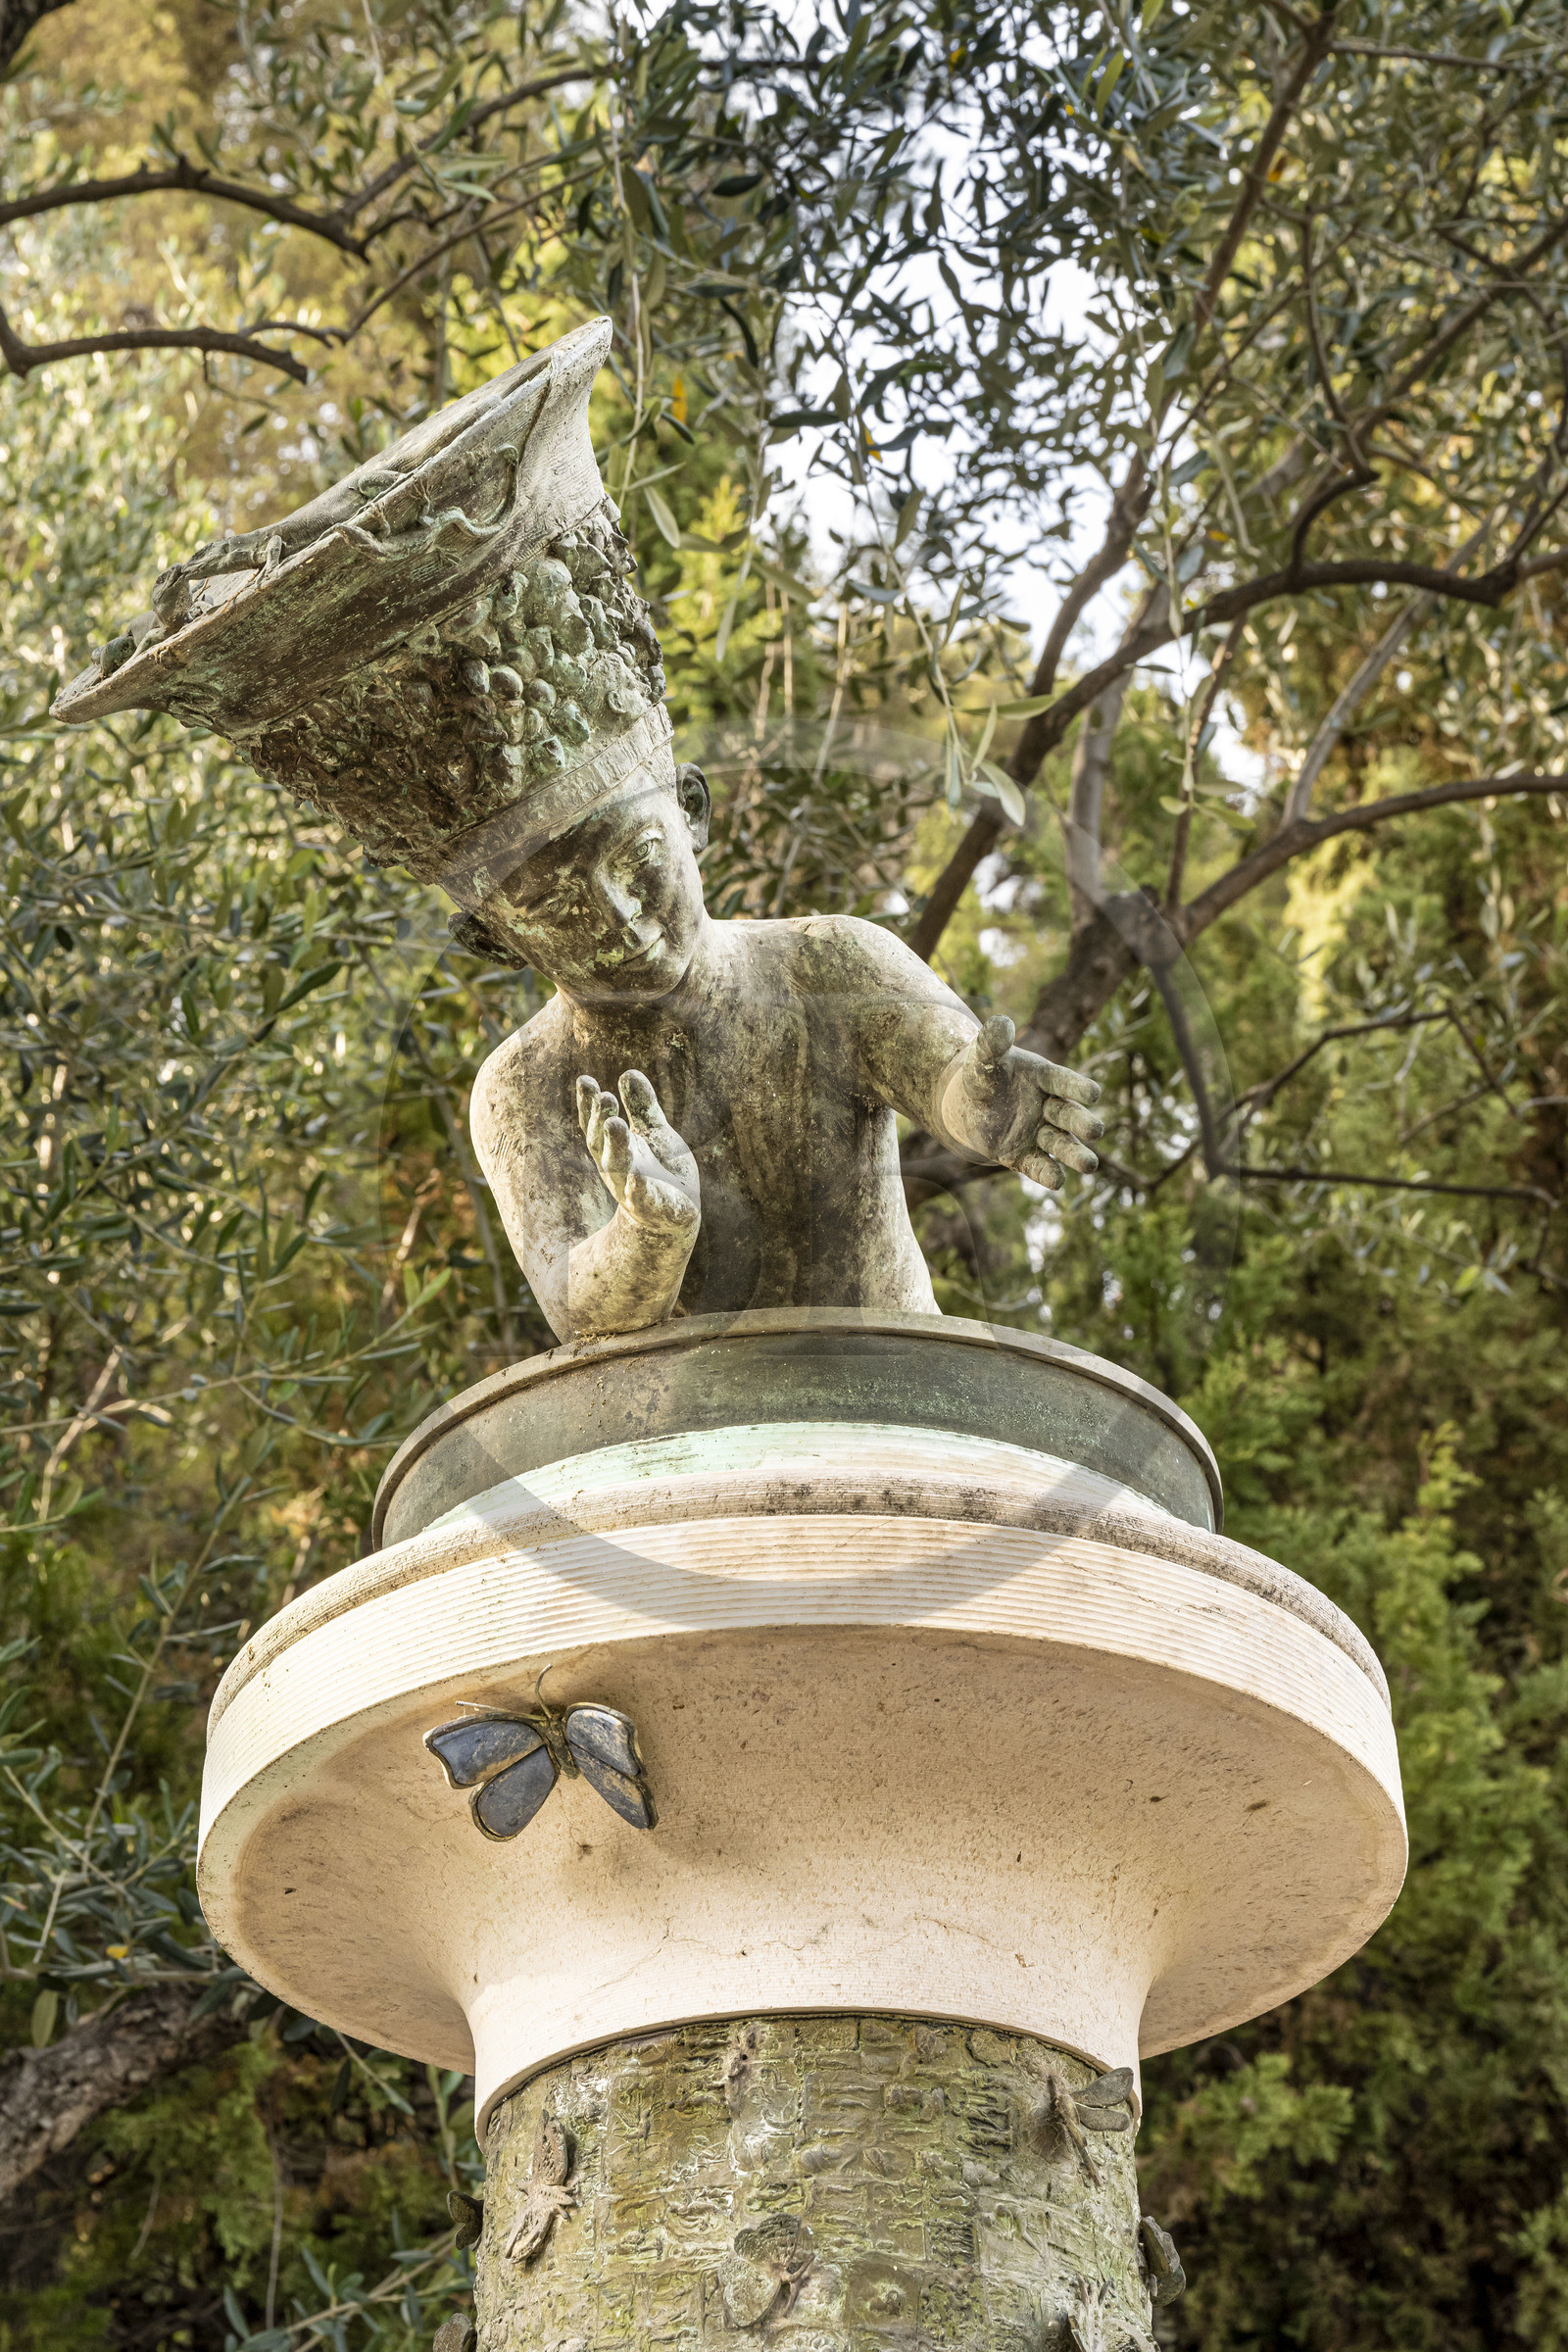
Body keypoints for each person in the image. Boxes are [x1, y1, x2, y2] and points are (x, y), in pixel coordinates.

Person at [469, 760, 1102, 1341]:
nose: (620, 917)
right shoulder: (521, 1086)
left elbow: (943, 1076)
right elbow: (574, 1305)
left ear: (690, 811)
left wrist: (979, 1101)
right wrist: (648, 1237)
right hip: (702, 1440)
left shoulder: (830, 964)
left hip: (899, 1391)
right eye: (558, 907)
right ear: (499, 936)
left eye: (638, 855)